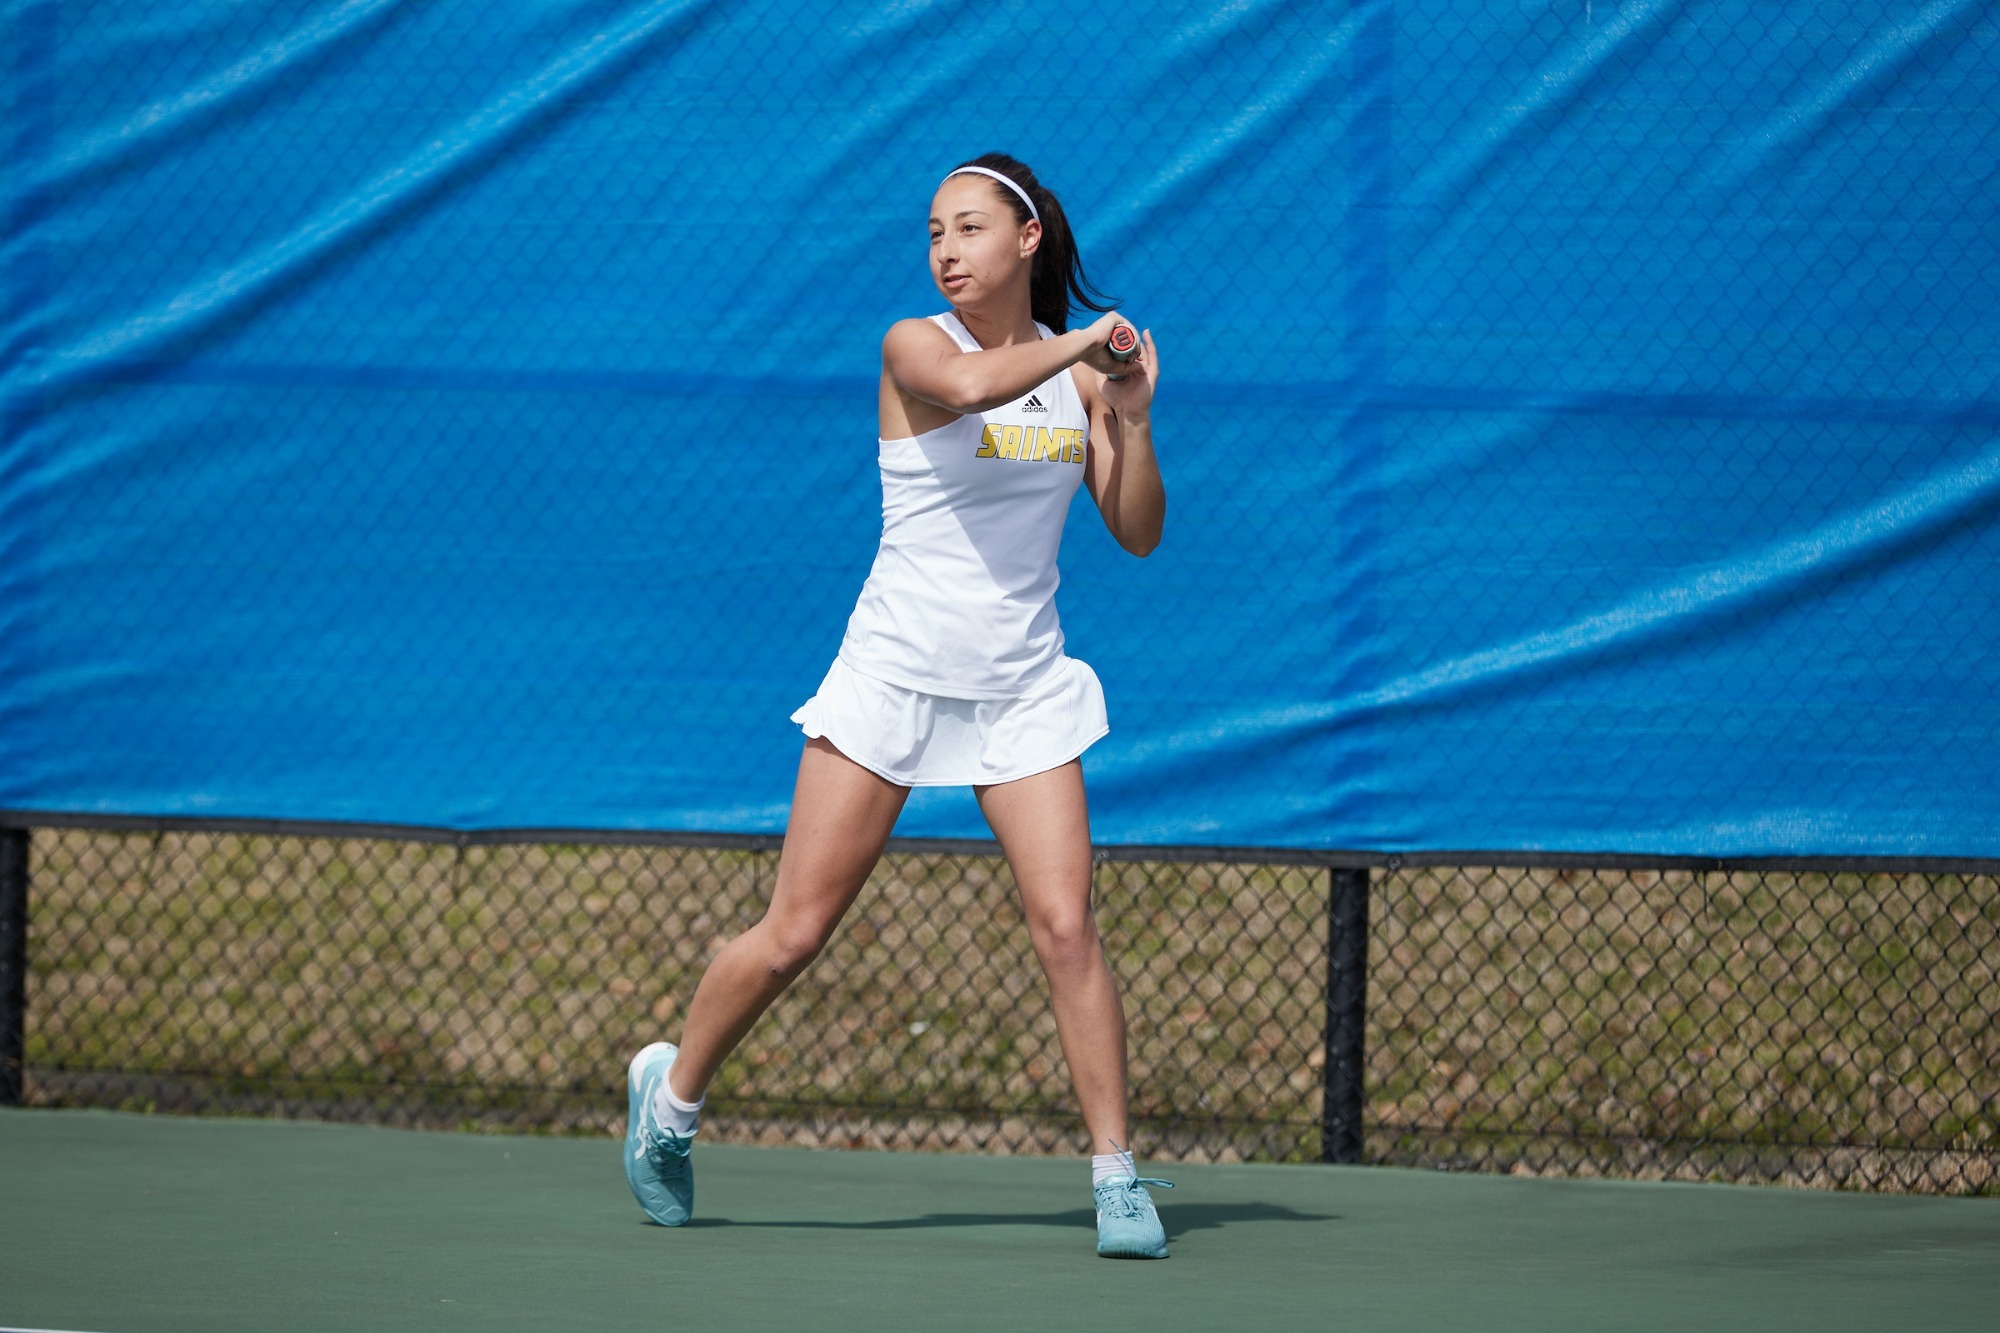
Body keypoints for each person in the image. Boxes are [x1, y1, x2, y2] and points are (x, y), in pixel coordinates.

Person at [623, 152, 1171, 1259]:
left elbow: (1137, 528)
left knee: (1066, 927)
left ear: (1025, 239)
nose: (945, 252)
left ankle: (1116, 1176)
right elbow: (972, 390)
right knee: (793, 935)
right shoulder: (914, 346)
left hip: (1020, 687)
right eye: (933, 233)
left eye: (967, 230)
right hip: (891, 677)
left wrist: (1132, 413)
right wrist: (1088, 339)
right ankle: (669, 1102)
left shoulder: (1077, 382)